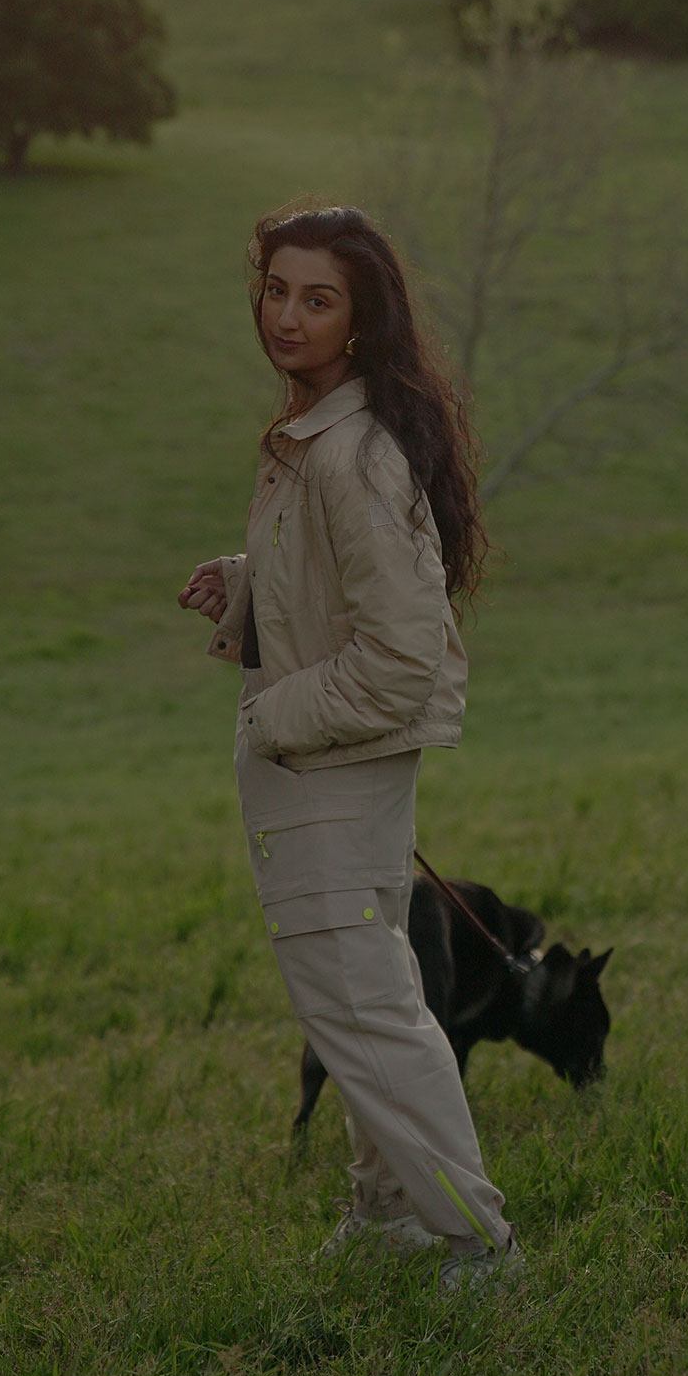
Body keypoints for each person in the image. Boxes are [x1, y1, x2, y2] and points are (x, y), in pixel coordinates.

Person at [178, 205, 521, 1288]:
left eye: (317, 297)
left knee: (362, 1007)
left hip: (326, 767)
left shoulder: (352, 454)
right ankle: (388, 1214)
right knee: (367, 994)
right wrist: (244, 586)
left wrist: (271, 715)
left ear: (360, 318)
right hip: (327, 771)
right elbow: (339, 588)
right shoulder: (318, 436)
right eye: (276, 290)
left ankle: (474, 1241)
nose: (287, 315)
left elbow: (402, 653)